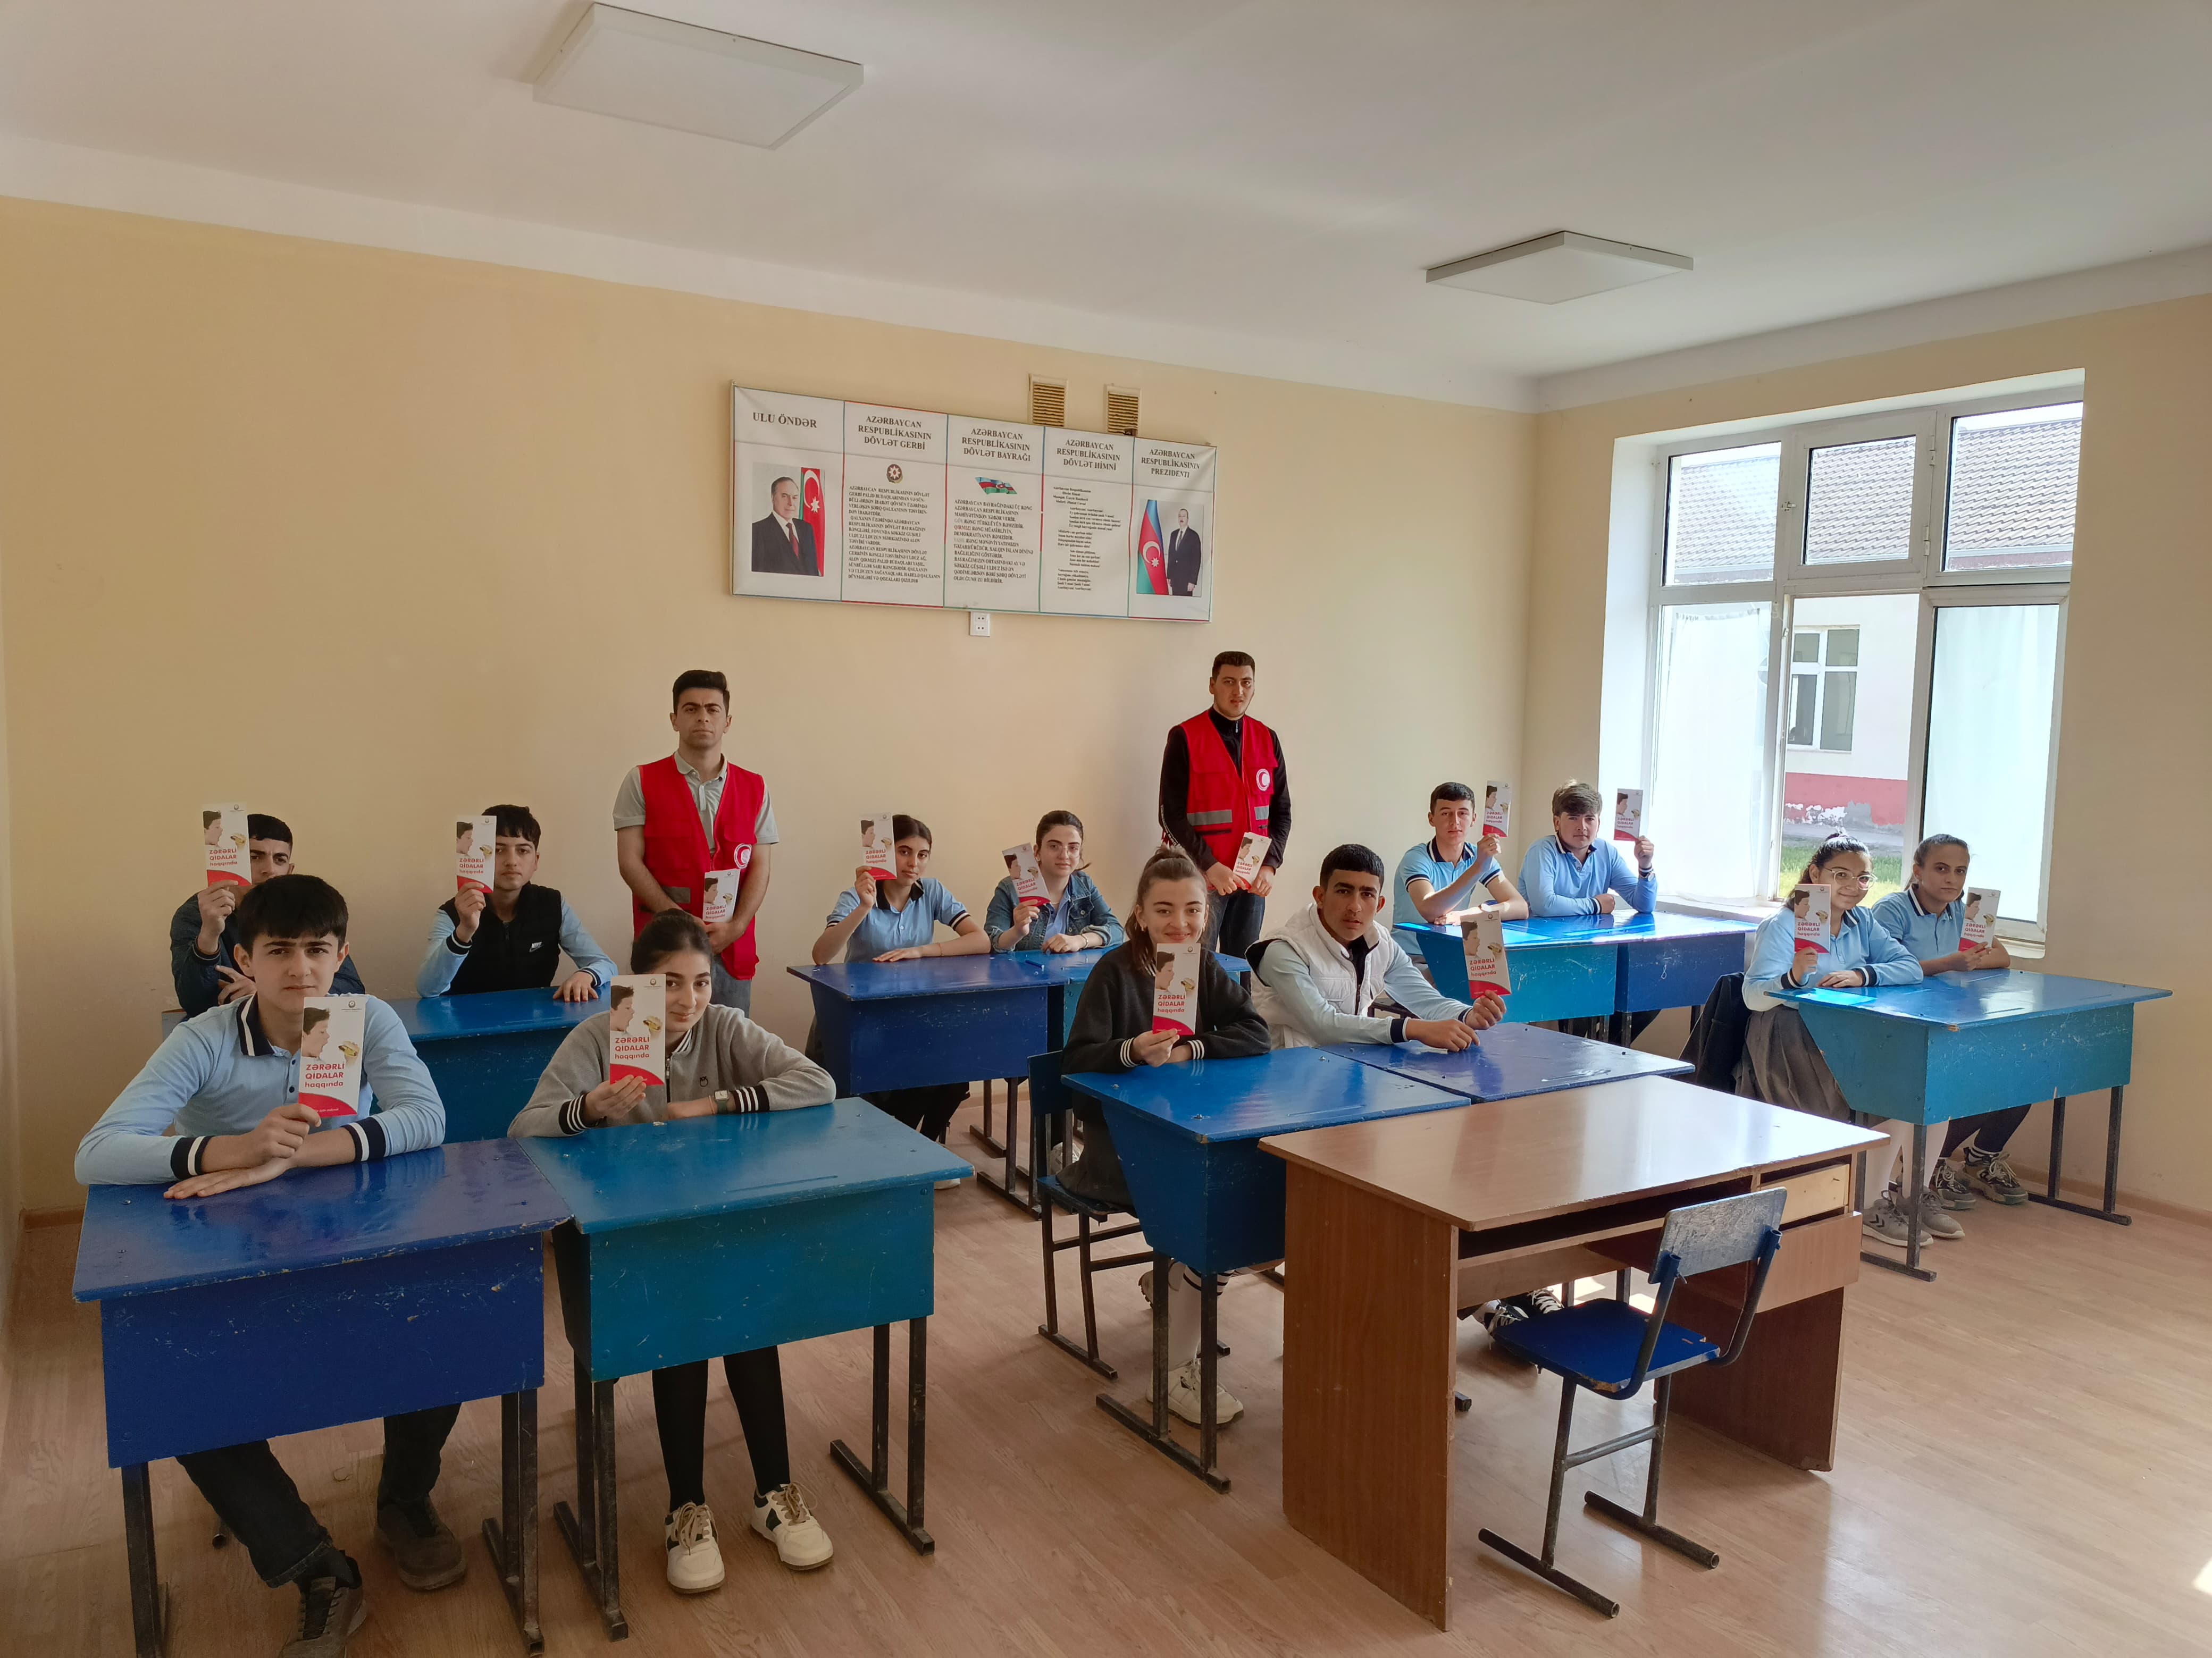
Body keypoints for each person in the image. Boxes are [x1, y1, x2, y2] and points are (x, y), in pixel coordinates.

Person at [78, 874, 454, 1655]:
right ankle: (315, 1567)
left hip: (352, 1241)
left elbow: (427, 1116)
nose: (302, 968)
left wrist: (287, 1158)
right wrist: (233, 1149)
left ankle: (404, 1499)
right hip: (230, 1261)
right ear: (245, 958)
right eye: (279, 950)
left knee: (447, 1323)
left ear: (342, 954)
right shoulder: (204, 1037)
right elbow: (98, 1151)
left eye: (318, 949)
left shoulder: (365, 1017)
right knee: (178, 1393)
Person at [510, 911, 837, 1592]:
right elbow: (524, 1128)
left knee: (750, 1322)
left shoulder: (724, 1026)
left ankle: (773, 1493)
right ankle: (686, 1507)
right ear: (638, 983)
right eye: (669, 983)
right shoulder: (599, 1035)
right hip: (634, 1241)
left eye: (701, 982)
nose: (688, 999)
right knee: (684, 1329)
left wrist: (716, 1103)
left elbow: (817, 1082)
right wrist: (589, 1108)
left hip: (714, 1226)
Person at [1058, 849, 1271, 1425]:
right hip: (1117, 1147)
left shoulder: (1201, 964)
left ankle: (1178, 1279)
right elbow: (1075, 1065)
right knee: (1219, 1210)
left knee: (1247, 1197)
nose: (1180, 923)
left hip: (1187, 1132)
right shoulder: (1114, 971)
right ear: (1140, 914)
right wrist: (1130, 1051)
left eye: (1193, 910)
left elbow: (1254, 1032)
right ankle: (1174, 1365)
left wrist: (1188, 1049)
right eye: (1164, 910)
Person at [1738, 835, 1945, 1250]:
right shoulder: (1785, 923)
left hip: (1846, 1033)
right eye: (1841, 875)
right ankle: (1832, 1205)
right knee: (1844, 1110)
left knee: (1901, 1094)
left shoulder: (1862, 921)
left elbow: (1910, 967)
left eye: (1864, 877)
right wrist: (1793, 977)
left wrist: (1861, 975)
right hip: (1790, 1037)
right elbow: (1753, 995)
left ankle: (1871, 1201)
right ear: (1816, 873)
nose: (1854, 886)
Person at [1869, 834, 2027, 1207]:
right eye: (1941, 869)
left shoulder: (1962, 909)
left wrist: (1964, 962)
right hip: (1901, 1021)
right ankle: (1921, 1173)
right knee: (1938, 1092)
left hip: (1949, 1013)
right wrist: (1950, 964)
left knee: (2017, 1076)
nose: (1951, 879)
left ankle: (1974, 1161)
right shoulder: (1892, 909)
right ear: (1918, 870)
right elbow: (1886, 967)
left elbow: (2001, 956)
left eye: (1960, 871)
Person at [808, 814, 986, 1144]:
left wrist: (922, 951)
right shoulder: (855, 895)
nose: (914, 863)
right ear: (887, 853)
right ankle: (886, 1147)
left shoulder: (931, 891)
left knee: (954, 1071)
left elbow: (981, 940)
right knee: (879, 1081)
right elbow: (821, 955)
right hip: (860, 1016)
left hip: (912, 1012)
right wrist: (864, 907)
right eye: (904, 852)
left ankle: (921, 1145)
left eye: (923, 855)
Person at [615, 670, 775, 1012]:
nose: (703, 717)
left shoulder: (756, 787)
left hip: (731, 947)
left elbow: (761, 866)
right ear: (674, 719)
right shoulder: (640, 780)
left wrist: (738, 926)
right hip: (662, 944)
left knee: (730, 1041)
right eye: (691, 709)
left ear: (727, 721)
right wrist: (677, 920)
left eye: (713, 709)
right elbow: (629, 862)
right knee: (652, 1040)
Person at [1158, 651, 1290, 960]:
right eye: (1229, 682)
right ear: (1212, 685)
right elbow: (1169, 816)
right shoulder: (1185, 737)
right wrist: (1210, 865)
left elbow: (1282, 812)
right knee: (1184, 966)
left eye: (1246, 683)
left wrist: (1270, 864)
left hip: (1250, 881)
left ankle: (1235, 999)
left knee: (1240, 967)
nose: (1238, 691)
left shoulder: (1267, 738)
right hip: (1197, 877)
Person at [169, 812, 365, 1015]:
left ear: (289, 871)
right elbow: (194, 1003)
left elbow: (352, 989)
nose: (270, 870)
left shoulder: (305, 908)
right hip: (225, 1024)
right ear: (231, 864)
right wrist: (209, 934)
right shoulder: (196, 914)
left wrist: (266, 995)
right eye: (254, 857)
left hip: (298, 1022)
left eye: (280, 859)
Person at [417, 805, 616, 1000]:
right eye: (498, 850)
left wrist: (587, 974)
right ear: (480, 857)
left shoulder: (553, 904)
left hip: (537, 1018)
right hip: (464, 1019)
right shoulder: (453, 912)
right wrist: (464, 932)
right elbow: (427, 989)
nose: (511, 861)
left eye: (523, 850)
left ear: (536, 860)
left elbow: (605, 964)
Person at [984, 811, 1125, 955]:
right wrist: (1017, 932)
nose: (1064, 855)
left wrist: (1081, 940)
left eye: (1073, 848)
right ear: (1037, 852)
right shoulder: (1009, 889)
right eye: (1054, 846)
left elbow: (1117, 931)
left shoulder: (1084, 885)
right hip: (1023, 970)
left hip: (1073, 970)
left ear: (1080, 853)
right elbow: (990, 944)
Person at [1393, 782, 1530, 927]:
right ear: (1431, 819)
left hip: (1453, 941)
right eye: (1446, 814)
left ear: (1474, 819)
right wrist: (1478, 868)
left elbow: (1520, 908)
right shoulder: (1416, 858)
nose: (1455, 822)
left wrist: (1470, 914)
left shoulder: (1478, 855)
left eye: (1463, 813)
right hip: (1411, 943)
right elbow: (1430, 911)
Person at [1518, 780, 1655, 918]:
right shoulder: (1541, 851)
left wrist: (1645, 866)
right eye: (1573, 818)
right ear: (1557, 823)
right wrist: (1596, 905)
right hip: (1543, 931)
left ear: (1598, 824)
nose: (1582, 827)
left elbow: (1645, 906)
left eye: (1589, 819)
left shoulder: (1607, 852)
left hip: (1589, 932)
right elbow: (1544, 906)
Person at [750, 475, 819, 576]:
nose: (791, 503)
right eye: (785, 496)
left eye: (795, 497)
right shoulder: (757, 531)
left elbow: (813, 571)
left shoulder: (806, 529)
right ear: (773, 498)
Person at [1166, 507, 1203, 596]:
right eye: (1180, 516)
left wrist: (1192, 581)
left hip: (1187, 581)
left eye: (1184, 516)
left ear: (1188, 519)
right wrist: (1169, 576)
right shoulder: (1173, 534)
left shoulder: (1194, 536)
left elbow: (1196, 560)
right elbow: (1171, 556)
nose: (1181, 518)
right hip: (1175, 580)